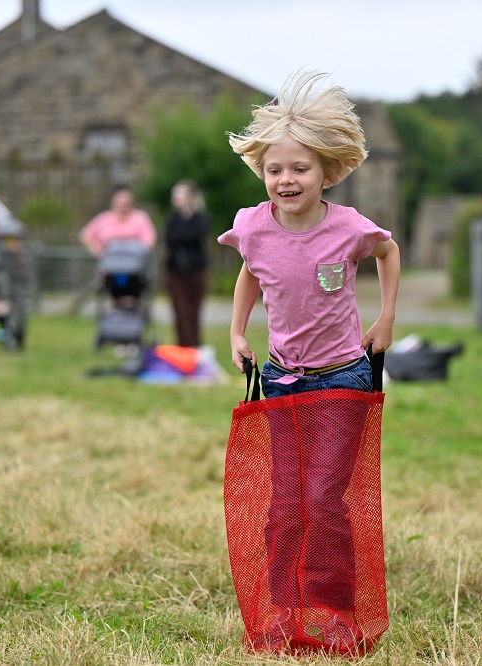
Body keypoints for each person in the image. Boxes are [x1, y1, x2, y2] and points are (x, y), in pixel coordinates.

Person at [218, 72, 400, 653]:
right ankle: (284, 609)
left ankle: (338, 611)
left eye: (299, 169)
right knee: (285, 502)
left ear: (327, 172)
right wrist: (236, 330)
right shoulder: (253, 226)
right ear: (262, 173)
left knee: (325, 499)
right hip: (281, 379)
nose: (286, 179)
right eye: (275, 169)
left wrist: (386, 319)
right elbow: (252, 269)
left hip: (343, 377)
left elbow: (389, 251)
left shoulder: (347, 228)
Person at [163, 179, 209, 348]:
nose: (175, 198)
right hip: (175, 271)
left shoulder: (201, 218)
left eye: (179, 194)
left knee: (194, 310)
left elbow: (197, 235)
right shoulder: (172, 219)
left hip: (196, 270)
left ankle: (195, 346)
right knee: (180, 310)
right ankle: (183, 346)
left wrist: (182, 236)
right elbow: (169, 238)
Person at [79, 184, 157, 257]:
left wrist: (141, 249)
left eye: (126, 203)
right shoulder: (104, 218)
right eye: (120, 203)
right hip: (109, 262)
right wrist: (99, 251)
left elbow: (150, 238)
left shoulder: (140, 217)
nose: (123, 206)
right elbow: (86, 236)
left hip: (134, 261)